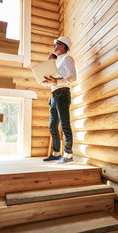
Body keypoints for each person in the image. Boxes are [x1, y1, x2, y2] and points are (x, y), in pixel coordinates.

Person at [43, 36, 77, 164]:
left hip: (62, 93)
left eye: (56, 44)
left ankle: (68, 155)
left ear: (63, 46)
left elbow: (73, 77)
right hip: (55, 95)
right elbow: (52, 81)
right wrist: (49, 63)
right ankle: (57, 153)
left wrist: (57, 81)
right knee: (52, 126)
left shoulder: (67, 58)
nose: (54, 46)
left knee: (64, 124)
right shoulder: (57, 61)